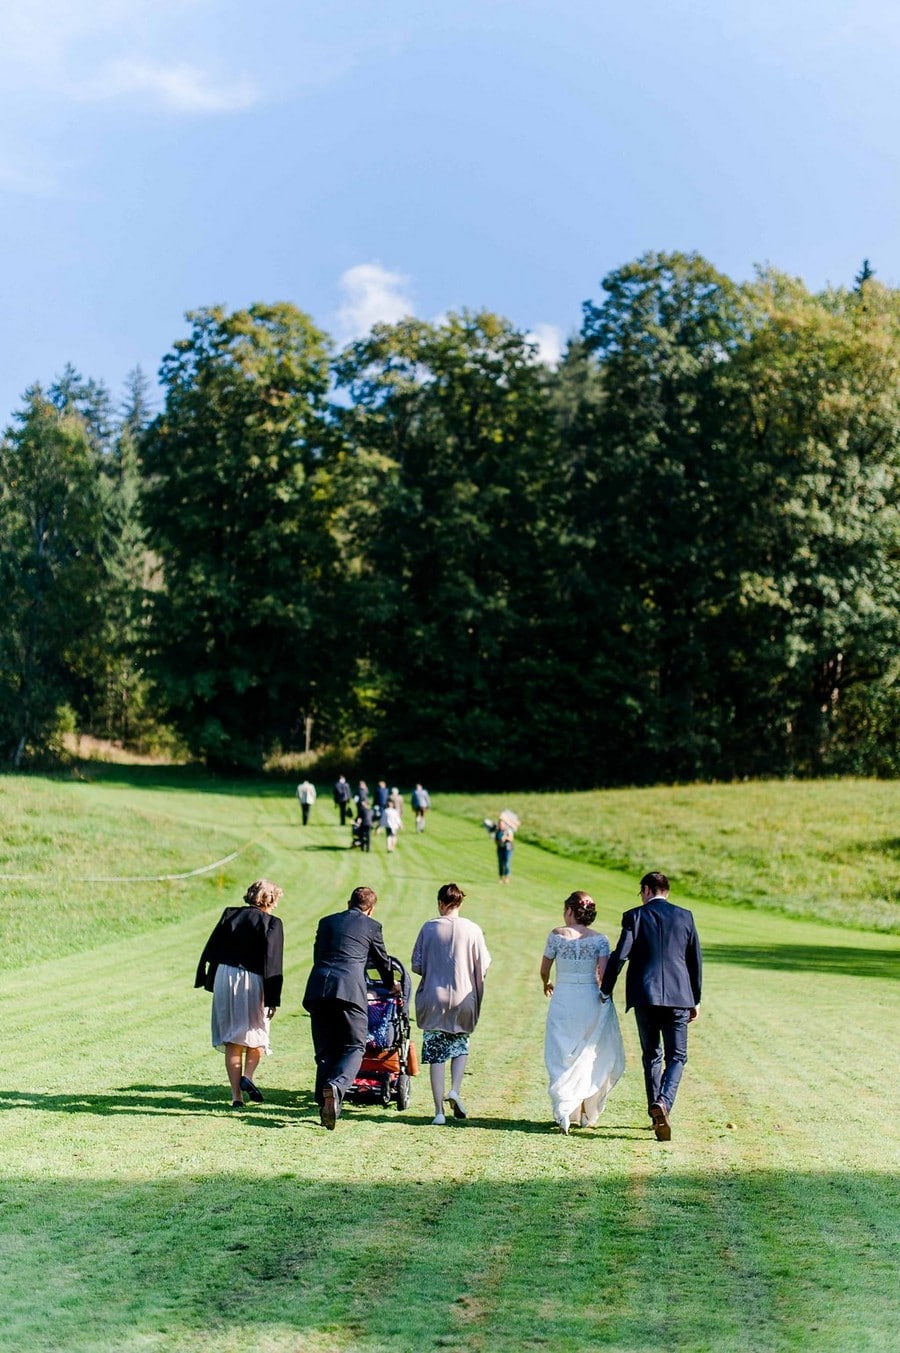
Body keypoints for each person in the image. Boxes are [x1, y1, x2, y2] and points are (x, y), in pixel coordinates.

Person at [599, 871, 702, 1141]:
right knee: (677, 1056)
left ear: (646, 890)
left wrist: (605, 989)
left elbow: (620, 955)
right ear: (666, 891)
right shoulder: (685, 916)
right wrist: (696, 999)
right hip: (680, 997)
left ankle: (656, 1111)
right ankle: (664, 1103)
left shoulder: (635, 916)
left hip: (644, 996)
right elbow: (694, 961)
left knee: (652, 1055)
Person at [302, 886, 397, 1128]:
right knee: (355, 1045)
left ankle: (324, 1103)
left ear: (348, 903)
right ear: (371, 908)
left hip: (318, 988)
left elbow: (318, 954)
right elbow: (382, 961)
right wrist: (391, 985)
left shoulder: (326, 922)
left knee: (325, 1050)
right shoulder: (372, 926)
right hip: (348, 991)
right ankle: (336, 1086)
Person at [540, 891, 625, 1134]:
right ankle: (586, 1112)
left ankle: (565, 1109)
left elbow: (544, 968)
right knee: (590, 1053)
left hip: (564, 999)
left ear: (569, 910)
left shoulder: (557, 935)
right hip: (589, 999)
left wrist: (546, 982)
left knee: (561, 1052)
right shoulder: (600, 940)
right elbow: (603, 974)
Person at [195, 879, 285, 1108]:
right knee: (257, 1032)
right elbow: (272, 962)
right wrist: (273, 998)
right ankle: (249, 1077)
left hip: (225, 976)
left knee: (232, 1037)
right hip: (253, 979)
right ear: (271, 899)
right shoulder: (272, 923)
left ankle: (236, 1097)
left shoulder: (230, 914)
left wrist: (206, 977)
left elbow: (212, 947)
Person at [411, 883, 491, 1125]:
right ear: (460, 903)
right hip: (463, 996)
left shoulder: (429, 927)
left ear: (440, 903)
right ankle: (455, 1088)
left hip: (434, 997)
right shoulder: (473, 929)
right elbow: (484, 964)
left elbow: (417, 965)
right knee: (460, 1045)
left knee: (436, 1054)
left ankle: (438, 1112)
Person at [494, 815, 515, 882]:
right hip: (500, 848)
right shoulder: (498, 831)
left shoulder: (508, 830)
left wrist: (505, 838)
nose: (500, 825)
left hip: (508, 849)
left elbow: (511, 839)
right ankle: (500, 877)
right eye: (499, 824)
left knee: (506, 863)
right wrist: (500, 841)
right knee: (500, 863)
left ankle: (507, 878)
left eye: (501, 824)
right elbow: (496, 841)